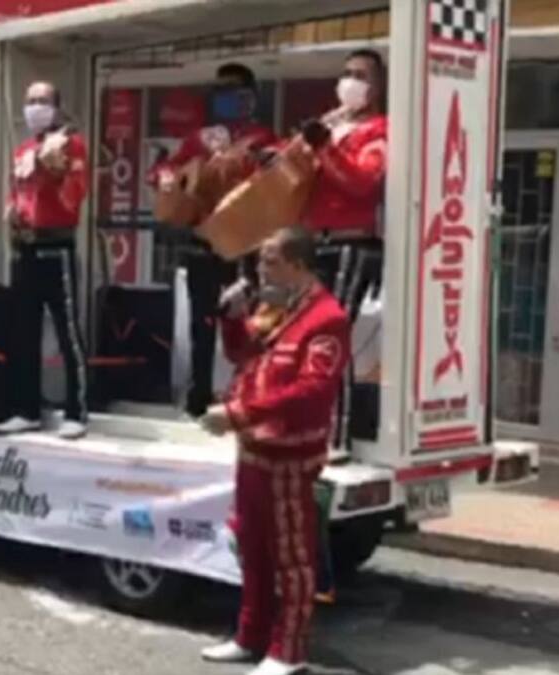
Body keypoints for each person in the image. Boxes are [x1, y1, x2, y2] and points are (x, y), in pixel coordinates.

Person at [197, 227, 350, 675]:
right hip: (254, 450)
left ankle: (289, 651)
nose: (260, 270)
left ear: (299, 266)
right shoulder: (276, 306)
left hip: (289, 454)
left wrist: (240, 413)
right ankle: (250, 636)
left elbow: (311, 391)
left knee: (292, 557)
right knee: (252, 547)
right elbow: (242, 351)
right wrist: (230, 317)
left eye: (270, 261)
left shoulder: (327, 319)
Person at [153, 63, 278, 418]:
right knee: (201, 325)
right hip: (203, 244)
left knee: (252, 324)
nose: (227, 98)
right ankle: (199, 398)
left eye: (235, 92)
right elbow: (164, 168)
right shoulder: (201, 137)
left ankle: (252, 397)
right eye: (220, 92)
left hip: (246, 246)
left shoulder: (262, 138)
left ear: (251, 97)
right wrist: (166, 178)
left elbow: (276, 178)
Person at [0, 81, 90, 440]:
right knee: (24, 333)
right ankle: (26, 409)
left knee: (67, 331)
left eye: (43, 101)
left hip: (56, 248)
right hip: (25, 247)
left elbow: (75, 195)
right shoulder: (22, 150)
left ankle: (77, 411)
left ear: (57, 107)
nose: (35, 107)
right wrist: (11, 211)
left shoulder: (70, 143)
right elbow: (16, 192)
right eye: (30, 100)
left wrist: (56, 170)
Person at [299, 49, 388, 320]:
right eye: (347, 74)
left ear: (378, 86)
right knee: (308, 333)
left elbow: (363, 182)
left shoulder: (380, 129)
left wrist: (325, 147)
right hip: (312, 242)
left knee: (331, 332)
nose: (351, 81)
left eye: (361, 76)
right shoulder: (330, 123)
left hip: (350, 244)